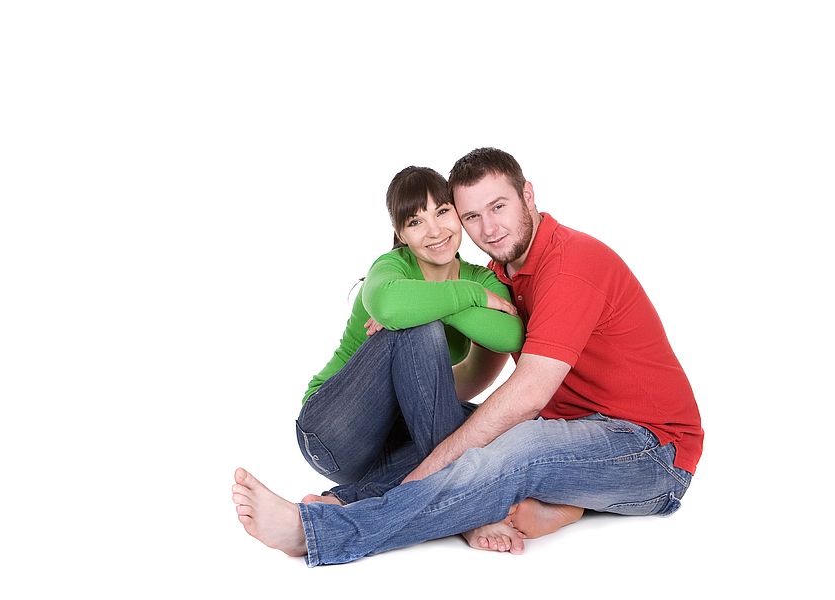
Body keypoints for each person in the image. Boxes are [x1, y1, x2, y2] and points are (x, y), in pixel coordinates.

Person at [231, 148, 704, 565]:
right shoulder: (502, 272)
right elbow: (474, 378)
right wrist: (408, 371)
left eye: (498, 206)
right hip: (571, 432)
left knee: (510, 448)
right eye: (473, 216)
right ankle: (555, 502)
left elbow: (526, 395)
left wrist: (434, 467)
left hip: (652, 451)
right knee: (477, 437)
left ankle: (316, 531)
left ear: (529, 196)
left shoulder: (571, 265)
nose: (489, 228)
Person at [291, 165, 523, 507]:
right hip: (333, 429)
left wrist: (434, 301)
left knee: (504, 426)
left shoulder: (479, 278)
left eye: (442, 212)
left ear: (458, 214)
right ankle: (459, 504)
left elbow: (513, 335)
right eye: (415, 222)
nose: (434, 231)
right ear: (401, 233)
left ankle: (344, 503)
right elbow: (387, 304)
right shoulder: (391, 268)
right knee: (417, 327)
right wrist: (462, 298)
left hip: (397, 443)